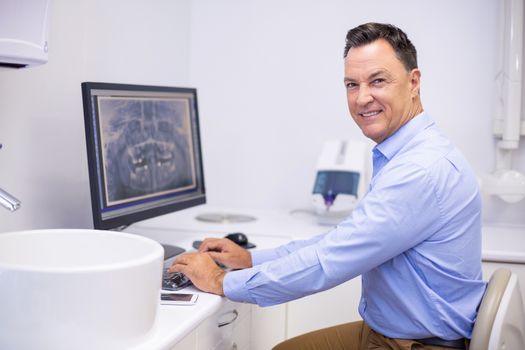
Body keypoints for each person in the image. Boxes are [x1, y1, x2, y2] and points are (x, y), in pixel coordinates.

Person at [170, 22, 486, 350]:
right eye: (352, 84)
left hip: (416, 345)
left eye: (378, 81)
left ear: (414, 82)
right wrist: (252, 261)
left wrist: (222, 281)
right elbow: (342, 240)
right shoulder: (408, 153)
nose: (363, 98)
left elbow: (329, 262)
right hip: (395, 332)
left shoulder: (419, 170)